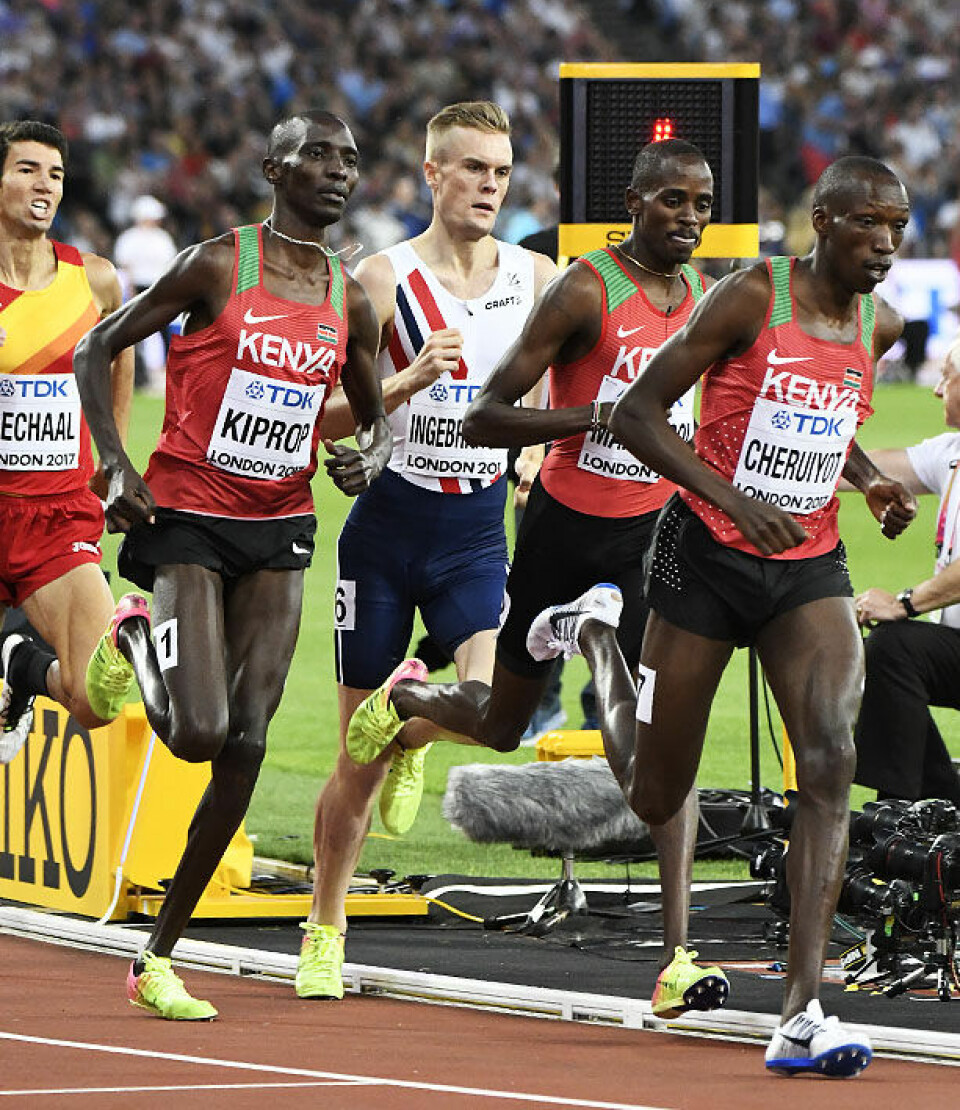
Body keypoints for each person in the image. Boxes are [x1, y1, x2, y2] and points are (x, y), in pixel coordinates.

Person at [539, 156, 915, 1077]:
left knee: (829, 760)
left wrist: (867, 484)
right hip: (701, 557)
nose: (887, 244)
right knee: (658, 795)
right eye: (869, 223)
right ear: (821, 221)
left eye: (899, 228)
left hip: (806, 565)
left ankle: (800, 1011)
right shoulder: (752, 297)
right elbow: (637, 413)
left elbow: (824, 420)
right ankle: (594, 636)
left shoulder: (883, 324)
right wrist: (731, 499)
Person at [345, 137, 731, 1018]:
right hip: (559, 535)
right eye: (672, 200)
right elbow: (485, 415)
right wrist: (593, 415)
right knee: (501, 728)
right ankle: (406, 701)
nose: (689, 218)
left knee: (660, 740)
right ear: (633, 202)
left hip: (646, 543)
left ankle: (677, 954)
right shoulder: (588, 288)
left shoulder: (706, 303)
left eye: (701, 204)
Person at [74, 109, 392, 1021]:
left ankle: (158, 955)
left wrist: (364, 456)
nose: (339, 171)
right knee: (199, 732)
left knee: (247, 745)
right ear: (272, 167)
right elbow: (102, 343)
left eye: (351, 159)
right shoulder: (217, 264)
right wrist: (113, 463)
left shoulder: (348, 295)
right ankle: (132, 637)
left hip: (280, 525)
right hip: (186, 518)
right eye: (320, 155)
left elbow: (368, 411)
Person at [298, 100, 557, 1001]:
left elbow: (560, 396)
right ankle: (325, 928)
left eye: (501, 170)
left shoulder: (537, 278)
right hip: (385, 535)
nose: (489, 185)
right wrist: (407, 379)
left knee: (492, 709)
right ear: (431, 177)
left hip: (475, 535)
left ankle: (411, 714)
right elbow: (325, 418)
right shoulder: (379, 279)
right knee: (353, 764)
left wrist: (533, 451)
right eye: (473, 169)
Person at [0, 119, 134, 763]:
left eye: (54, 173)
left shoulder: (96, 281)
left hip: (56, 516)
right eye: (26, 168)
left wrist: (115, 456)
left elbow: (120, 351)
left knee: (93, 697)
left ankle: (21, 665)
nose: (44, 184)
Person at [852, 333, 960, 805]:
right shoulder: (952, 452)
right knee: (892, 654)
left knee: (895, 648)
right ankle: (935, 805)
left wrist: (904, 603)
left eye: (947, 377)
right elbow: (873, 471)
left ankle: (904, 810)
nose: (937, 390)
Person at [113, 194, 178, 392]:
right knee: (134, 332)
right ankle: (134, 373)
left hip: (158, 287)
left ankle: (167, 372)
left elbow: (170, 266)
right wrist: (131, 294)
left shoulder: (161, 238)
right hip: (138, 289)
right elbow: (126, 267)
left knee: (165, 331)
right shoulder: (130, 238)